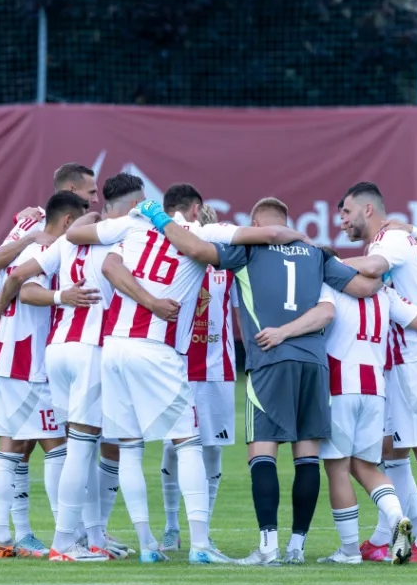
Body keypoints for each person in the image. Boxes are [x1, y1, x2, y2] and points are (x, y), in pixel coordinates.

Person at [139, 196, 380, 566]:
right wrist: (394, 263)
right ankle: (297, 548)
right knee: (307, 456)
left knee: (262, 453)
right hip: (314, 363)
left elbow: (194, 248)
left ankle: (268, 547)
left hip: (269, 360)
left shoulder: (248, 252)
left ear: (255, 226)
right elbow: (365, 287)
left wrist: (156, 216)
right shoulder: (316, 254)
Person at [102, 186, 306, 563]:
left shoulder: (134, 229)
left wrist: (145, 299)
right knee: (188, 445)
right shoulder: (200, 233)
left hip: (115, 347)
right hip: (157, 350)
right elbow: (273, 234)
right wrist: (303, 242)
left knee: (129, 448)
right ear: (196, 209)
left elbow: (109, 266)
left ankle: (147, 545)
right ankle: (198, 545)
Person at [24, 174, 176, 562]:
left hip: (58, 349)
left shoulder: (75, 234)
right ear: (128, 207)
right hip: (91, 349)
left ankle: (91, 538)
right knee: (81, 448)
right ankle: (64, 543)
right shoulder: (127, 231)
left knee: (78, 448)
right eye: (141, 203)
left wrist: (59, 294)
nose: (146, 210)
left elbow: (23, 279)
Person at [268, 247, 417, 564]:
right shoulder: (387, 296)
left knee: (337, 468)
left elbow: (320, 316)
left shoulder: (328, 288)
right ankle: (397, 518)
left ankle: (349, 550)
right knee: (366, 465)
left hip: (340, 385)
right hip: (377, 389)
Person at [338, 181, 417, 564]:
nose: (342, 222)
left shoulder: (388, 242)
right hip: (408, 362)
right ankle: (388, 535)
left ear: (368, 210)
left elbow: (373, 268)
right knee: (390, 451)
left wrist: (321, 263)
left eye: (346, 213)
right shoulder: (405, 238)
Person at [0, 191, 95, 559]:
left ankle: (6, 538)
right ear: (66, 221)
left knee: (11, 448)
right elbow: (23, 287)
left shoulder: (32, 244)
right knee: (57, 447)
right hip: (26, 365)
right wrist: (63, 297)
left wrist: (2, 299)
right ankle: (69, 538)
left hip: (5, 359)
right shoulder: (48, 249)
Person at [159, 204, 238, 553]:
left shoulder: (228, 267)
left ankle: (201, 531)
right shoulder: (173, 262)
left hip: (218, 367)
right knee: (172, 445)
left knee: (212, 448)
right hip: (177, 365)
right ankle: (172, 526)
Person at [0, 163, 100, 272]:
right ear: (71, 190)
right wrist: (31, 238)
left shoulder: (90, 229)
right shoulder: (35, 219)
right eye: (91, 192)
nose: (96, 199)